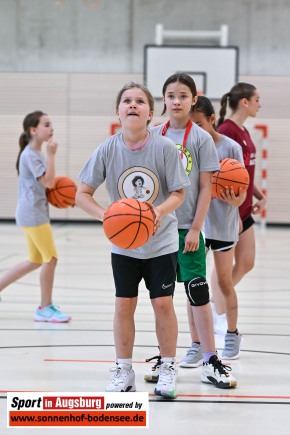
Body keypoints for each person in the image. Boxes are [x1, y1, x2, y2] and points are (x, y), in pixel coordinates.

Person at [76, 82, 190, 399]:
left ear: (151, 113)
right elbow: (81, 195)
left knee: (162, 304)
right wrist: (106, 216)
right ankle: (124, 370)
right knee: (123, 305)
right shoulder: (107, 149)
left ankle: (168, 366)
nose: (133, 105)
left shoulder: (165, 148)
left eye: (140, 101)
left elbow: (180, 193)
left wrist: (157, 212)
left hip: (161, 242)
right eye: (126, 101)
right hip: (124, 244)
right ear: (118, 111)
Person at [146, 74, 237, 389]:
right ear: (164, 100)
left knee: (198, 293)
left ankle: (210, 360)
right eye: (170, 95)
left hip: (188, 230)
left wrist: (197, 228)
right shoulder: (153, 134)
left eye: (182, 95)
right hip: (159, 229)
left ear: (193, 99)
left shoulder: (200, 138)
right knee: (162, 298)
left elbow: (205, 187)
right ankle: (166, 358)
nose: (176, 101)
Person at [0, 111, 71, 323]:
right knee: (51, 259)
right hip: (32, 213)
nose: (51, 128)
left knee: (35, 260)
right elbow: (49, 183)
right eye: (47, 124)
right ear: (33, 130)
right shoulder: (32, 154)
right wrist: (51, 155)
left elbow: (47, 184)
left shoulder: (35, 153)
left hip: (31, 211)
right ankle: (45, 307)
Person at [189, 96, 246, 359]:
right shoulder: (187, 146)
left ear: (212, 120)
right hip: (195, 225)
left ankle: (232, 334)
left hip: (223, 223)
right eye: (191, 125)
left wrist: (237, 199)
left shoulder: (231, 147)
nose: (195, 130)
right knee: (194, 284)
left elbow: (241, 191)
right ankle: (197, 344)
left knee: (224, 282)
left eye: (199, 124)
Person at [212, 83, 267, 333]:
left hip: (244, 207)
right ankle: (218, 311)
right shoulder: (226, 131)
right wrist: (231, 205)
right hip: (230, 210)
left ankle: (216, 302)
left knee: (246, 262)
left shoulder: (243, 131)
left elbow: (242, 174)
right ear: (244, 102)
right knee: (223, 267)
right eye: (257, 99)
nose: (259, 104)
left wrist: (258, 194)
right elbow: (219, 175)